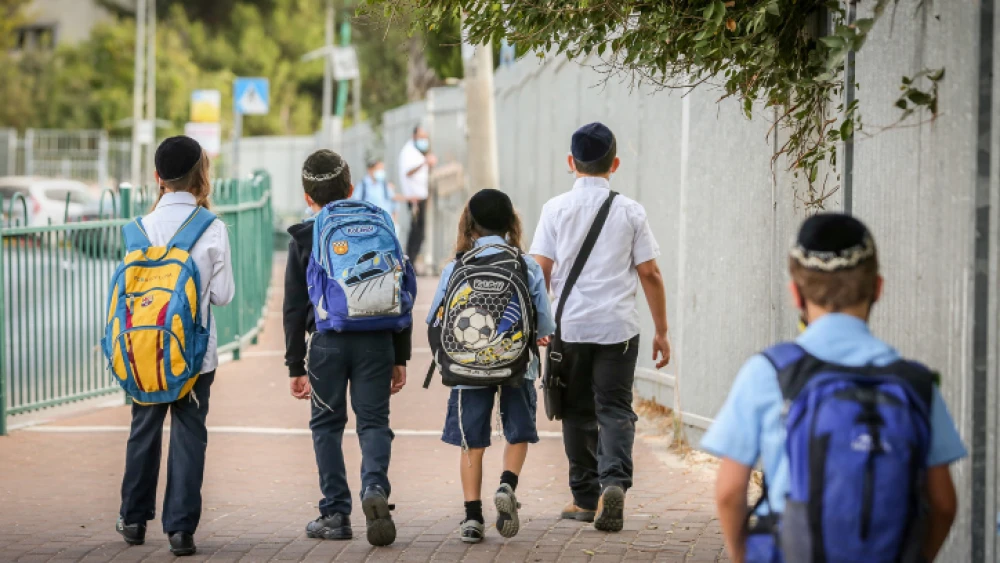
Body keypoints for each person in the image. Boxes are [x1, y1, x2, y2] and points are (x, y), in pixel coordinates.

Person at [701, 213, 966, 563]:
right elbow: (944, 505)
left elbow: (729, 492)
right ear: (878, 288)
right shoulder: (915, 384)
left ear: (795, 293)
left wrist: (741, 556)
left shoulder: (770, 373)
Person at [529, 122, 672, 532]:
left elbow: (539, 270)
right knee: (614, 408)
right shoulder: (630, 210)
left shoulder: (555, 209)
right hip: (619, 330)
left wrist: (541, 321)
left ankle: (585, 497)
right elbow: (651, 273)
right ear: (616, 164)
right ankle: (615, 483)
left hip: (569, 327)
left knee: (575, 411)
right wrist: (661, 330)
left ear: (571, 163)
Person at [283, 149, 412, 547]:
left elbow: (293, 306)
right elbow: (398, 286)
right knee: (373, 423)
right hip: (377, 340)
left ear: (308, 198)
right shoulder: (379, 221)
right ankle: (374, 489)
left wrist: (295, 364)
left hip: (327, 343)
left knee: (326, 425)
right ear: (352, 188)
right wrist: (400, 355)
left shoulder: (306, 234)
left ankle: (335, 513)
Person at [115, 136, 235, 557]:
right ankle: (180, 530)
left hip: (142, 351)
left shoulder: (136, 230)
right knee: (189, 435)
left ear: (157, 178)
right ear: (202, 175)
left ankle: (132, 519)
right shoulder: (212, 227)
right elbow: (223, 295)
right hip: (194, 356)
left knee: (143, 430)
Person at [426, 189, 556, 543]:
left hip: (467, 367)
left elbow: (433, 318)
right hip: (516, 364)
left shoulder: (456, 266)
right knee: (518, 430)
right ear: (511, 222)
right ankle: (507, 485)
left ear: (470, 225)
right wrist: (538, 335)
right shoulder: (525, 264)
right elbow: (544, 322)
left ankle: (472, 518)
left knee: (472, 440)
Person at [397, 125, 437, 263]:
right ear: (413, 136)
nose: (423, 140)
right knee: (416, 232)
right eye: (421, 137)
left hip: (421, 196)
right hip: (414, 198)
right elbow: (408, 172)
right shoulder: (408, 152)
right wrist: (425, 162)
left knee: (419, 232)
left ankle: (411, 261)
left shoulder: (417, 151)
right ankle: (410, 261)